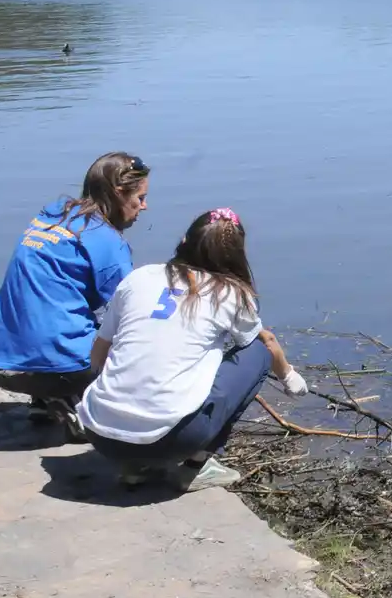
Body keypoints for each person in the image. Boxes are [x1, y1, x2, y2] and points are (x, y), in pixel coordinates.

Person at [77, 208, 308, 491]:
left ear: (184, 239)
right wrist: (290, 379)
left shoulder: (140, 277)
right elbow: (268, 342)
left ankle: (133, 468)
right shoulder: (230, 293)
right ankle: (197, 466)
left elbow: (99, 352)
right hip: (172, 441)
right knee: (258, 350)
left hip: (100, 434)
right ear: (237, 253)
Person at [0, 152, 151, 438]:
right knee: (139, 350)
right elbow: (133, 316)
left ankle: (44, 399)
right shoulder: (109, 244)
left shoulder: (53, 214)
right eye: (140, 198)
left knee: (52, 307)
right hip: (55, 369)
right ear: (119, 193)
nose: (144, 206)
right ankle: (80, 408)